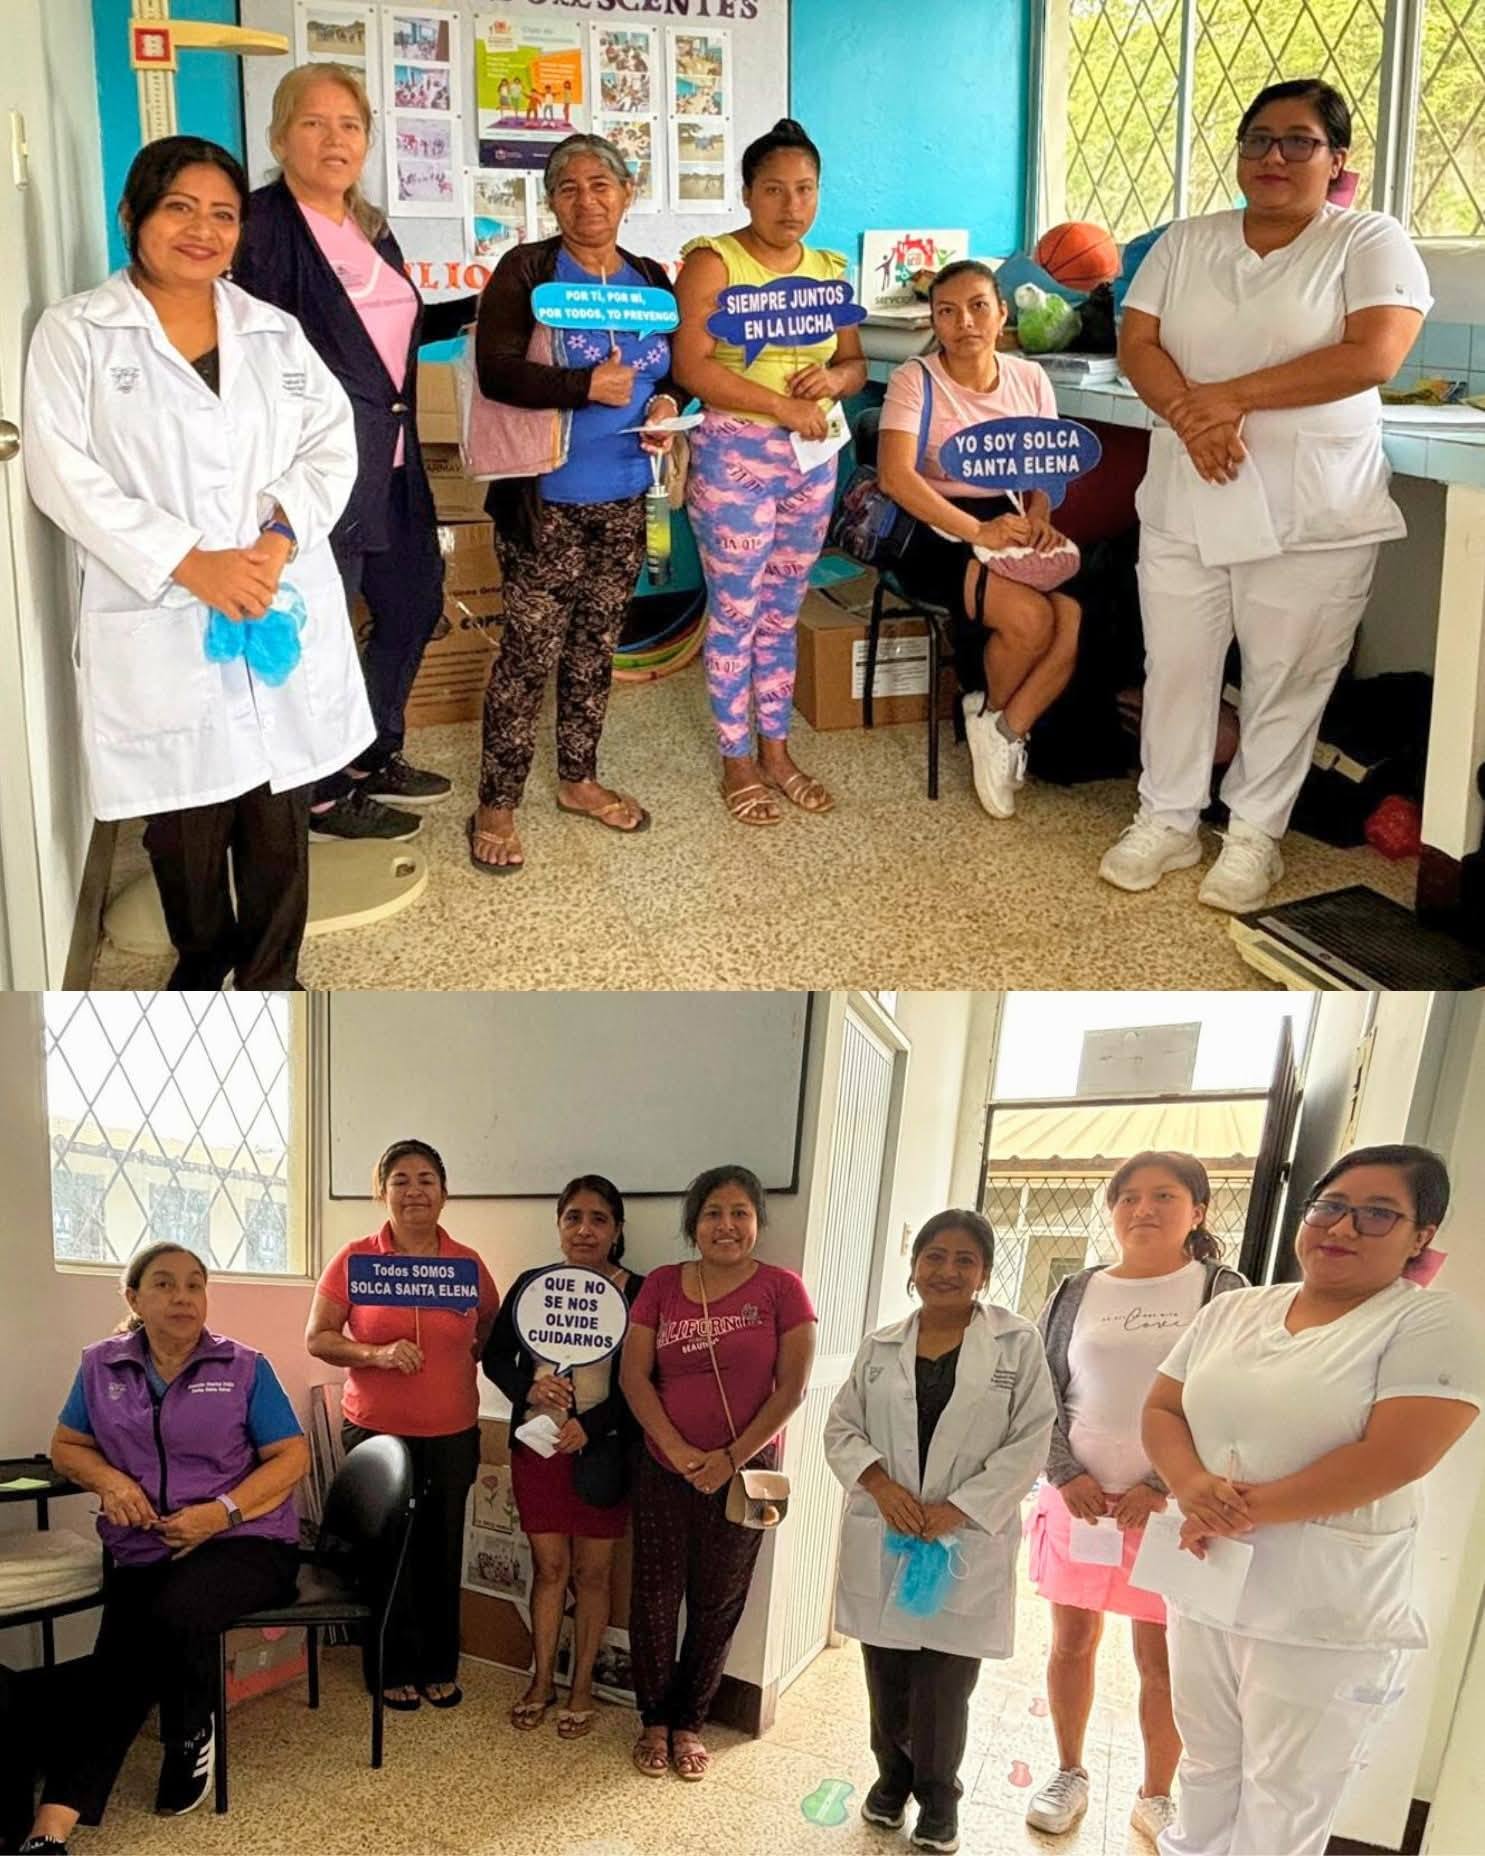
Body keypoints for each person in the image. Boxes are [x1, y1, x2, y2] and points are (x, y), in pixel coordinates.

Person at [22, 135, 370, 991]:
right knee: (183, 818)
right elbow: (61, 473)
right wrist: (188, 562)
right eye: (179, 208)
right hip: (164, 604)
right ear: (131, 215)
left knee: (277, 807)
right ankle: (203, 955)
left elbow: (332, 443)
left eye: (223, 214)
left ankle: (272, 975)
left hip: (273, 585)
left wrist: (277, 538)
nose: (202, 231)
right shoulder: (78, 332)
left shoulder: (274, 332)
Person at [1101, 78, 1431, 910]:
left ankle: (1253, 836)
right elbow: (1137, 343)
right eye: (1257, 139)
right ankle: (1166, 818)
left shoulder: (1368, 240)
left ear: (1336, 158)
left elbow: (1373, 355)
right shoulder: (1187, 240)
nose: (1272, 157)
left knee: (1287, 675)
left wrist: (1228, 398)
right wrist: (1193, 416)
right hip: (1187, 493)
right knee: (1176, 667)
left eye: (1297, 141)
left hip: (1309, 508)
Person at [1142, 1144, 1482, 1856]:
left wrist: (1236, 1509)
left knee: (1285, 1793)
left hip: (1320, 1611)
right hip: (1205, 1579)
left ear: (1420, 1236)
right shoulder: (1234, 1309)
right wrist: (1191, 1486)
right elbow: (1163, 1409)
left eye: (1377, 1214)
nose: (1343, 1227)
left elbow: (1397, 1455)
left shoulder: (1424, 1321)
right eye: (1329, 1206)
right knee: (1205, 1763)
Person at [233, 64, 479, 845]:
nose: (334, 139)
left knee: (413, 604)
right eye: (313, 123)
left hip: (394, 461)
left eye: (349, 125)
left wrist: (482, 306)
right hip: (318, 465)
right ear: (280, 138)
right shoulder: (260, 226)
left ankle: (372, 752)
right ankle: (318, 793)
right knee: (320, 628)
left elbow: (390, 333)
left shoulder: (370, 227)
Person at [20, 1244, 307, 1854]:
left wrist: (221, 1512)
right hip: (146, 1545)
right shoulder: (100, 1367)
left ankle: (175, 1734)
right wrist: (111, 1481)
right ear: (134, 1297)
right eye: (165, 1284)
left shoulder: (244, 1366)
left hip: (249, 1541)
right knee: (127, 1650)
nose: (183, 1297)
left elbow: (292, 1457)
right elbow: (66, 1446)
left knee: (155, 1624)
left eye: (195, 1285)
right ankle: (53, 1825)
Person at [470, 134, 680, 873]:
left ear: (627, 193)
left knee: (595, 649)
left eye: (601, 185)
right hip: (546, 501)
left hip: (625, 497)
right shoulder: (527, 270)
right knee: (528, 656)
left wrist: (667, 405)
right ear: (551, 202)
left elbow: (672, 370)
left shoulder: (650, 277)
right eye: (568, 188)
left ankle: (578, 780)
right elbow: (496, 371)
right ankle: (496, 801)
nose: (586, 200)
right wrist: (584, 386)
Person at [1023, 1153, 1247, 1844]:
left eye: (1163, 1196)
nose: (1142, 1209)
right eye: (1128, 1197)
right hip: (1081, 1503)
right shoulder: (1076, 1289)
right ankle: (1068, 1772)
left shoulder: (1221, 1291)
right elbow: (1040, 1388)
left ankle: (1155, 1794)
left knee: (1162, 1657)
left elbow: (1230, 1399)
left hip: (1171, 1509)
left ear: (1198, 1211)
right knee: (1070, 1642)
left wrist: (1159, 1486)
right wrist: (1065, 1473)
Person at [824, 1211, 1055, 1855]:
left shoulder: (1017, 1343)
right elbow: (843, 1427)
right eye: (934, 1256)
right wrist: (881, 1486)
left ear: (983, 1273)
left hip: (962, 1538)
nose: (947, 1271)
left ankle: (938, 1798)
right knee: (887, 1670)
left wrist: (961, 1507)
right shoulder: (881, 1346)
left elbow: (1031, 1437)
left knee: (945, 1683)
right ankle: (890, 1780)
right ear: (914, 1266)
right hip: (890, 1529)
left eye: (964, 1260)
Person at [673, 119, 868, 825]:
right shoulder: (714, 263)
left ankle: (777, 751)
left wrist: (833, 380)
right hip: (736, 458)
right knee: (735, 612)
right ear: (747, 193)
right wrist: (780, 407)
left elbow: (855, 364)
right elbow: (690, 367)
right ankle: (737, 760)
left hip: (811, 462)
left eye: (806, 189)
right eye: (775, 190)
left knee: (782, 611)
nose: (792, 205)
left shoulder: (828, 271)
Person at [619, 1165, 816, 1780]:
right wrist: (677, 1449)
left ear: (757, 1221)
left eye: (739, 1213)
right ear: (693, 1224)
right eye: (712, 1213)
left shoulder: (783, 1289)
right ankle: (654, 1720)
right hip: (663, 1467)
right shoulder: (663, 1285)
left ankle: (689, 1724)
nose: (725, 1225)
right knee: (654, 1598)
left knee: (719, 1600)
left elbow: (792, 1389)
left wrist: (730, 1457)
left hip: (745, 1473)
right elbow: (633, 1376)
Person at [877, 260, 1084, 820]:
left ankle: (998, 727)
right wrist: (976, 531)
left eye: (978, 307)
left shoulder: (1030, 379)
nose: (964, 322)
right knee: (1031, 620)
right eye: (947, 311)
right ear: (934, 322)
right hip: (933, 524)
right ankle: (998, 722)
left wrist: (1039, 515)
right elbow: (896, 477)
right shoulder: (914, 380)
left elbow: (1044, 472)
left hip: (1008, 517)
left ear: (1002, 314)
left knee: (1070, 619)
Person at [305, 1139, 500, 1710]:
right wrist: (377, 1354)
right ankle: (390, 1667)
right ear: (382, 1191)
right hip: (377, 1434)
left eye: (426, 1180)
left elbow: (490, 1327)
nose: (414, 1191)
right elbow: (318, 1338)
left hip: (452, 1433)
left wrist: (462, 1359)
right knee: (390, 1552)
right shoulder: (355, 1260)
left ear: (444, 1192)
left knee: (441, 1549)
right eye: (400, 1180)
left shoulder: (466, 1264)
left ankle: (439, 1664)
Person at [481, 1175, 646, 1738]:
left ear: (617, 1230)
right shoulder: (532, 1286)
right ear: (558, 1225)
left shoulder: (639, 1292)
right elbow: (495, 1357)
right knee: (549, 1569)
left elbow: (646, 1379)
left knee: (593, 1574)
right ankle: (541, 1681)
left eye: (599, 1219)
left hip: (604, 1451)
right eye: (573, 1217)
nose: (585, 1229)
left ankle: (581, 1689)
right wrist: (529, 1388)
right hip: (539, 1447)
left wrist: (591, 1426)